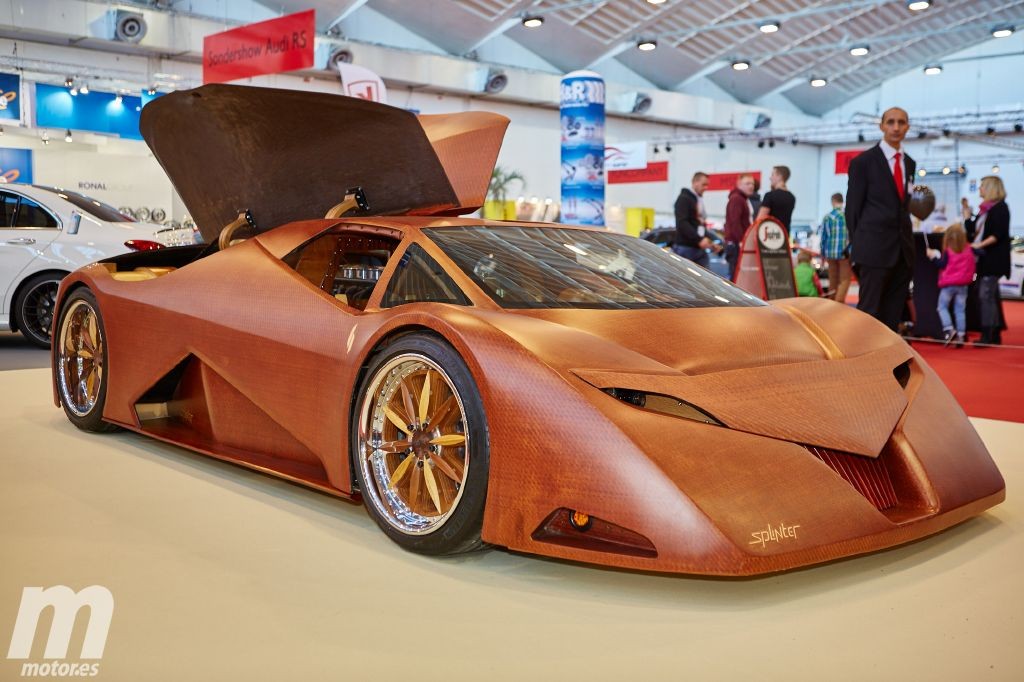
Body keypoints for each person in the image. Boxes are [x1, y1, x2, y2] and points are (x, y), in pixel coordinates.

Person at [846, 106, 916, 331]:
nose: (896, 127)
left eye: (901, 122)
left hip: (903, 252)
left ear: (908, 127)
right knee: (869, 312)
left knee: (893, 313)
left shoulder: (910, 163)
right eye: (891, 122)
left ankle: (888, 361)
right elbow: (853, 209)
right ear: (882, 126)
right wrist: (859, 246)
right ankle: (863, 363)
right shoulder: (863, 163)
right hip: (872, 250)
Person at [966, 175, 1011, 345]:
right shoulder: (985, 210)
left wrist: (979, 246)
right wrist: (967, 216)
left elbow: (997, 234)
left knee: (985, 295)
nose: (980, 189)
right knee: (989, 295)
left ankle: (988, 333)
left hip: (993, 260)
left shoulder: (999, 209)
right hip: (985, 259)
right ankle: (994, 332)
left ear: (991, 188)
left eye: (982, 186)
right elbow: (973, 231)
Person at [926, 223, 975, 348]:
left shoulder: (948, 251)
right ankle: (961, 334)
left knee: (942, 307)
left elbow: (941, 264)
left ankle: (949, 329)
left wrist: (932, 257)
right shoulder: (969, 249)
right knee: (960, 310)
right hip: (963, 284)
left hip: (948, 284)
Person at [672, 172, 718, 267]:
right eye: (704, 184)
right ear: (695, 182)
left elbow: (698, 225)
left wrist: (710, 242)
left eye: (707, 185)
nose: (706, 188)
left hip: (697, 248)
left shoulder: (697, 200)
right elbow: (682, 223)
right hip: (686, 248)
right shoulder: (684, 199)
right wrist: (699, 239)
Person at [820, 192, 851, 303]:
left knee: (832, 279)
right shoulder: (848, 215)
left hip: (830, 253)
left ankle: (832, 304)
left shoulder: (827, 217)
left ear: (833, 201)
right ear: (842, 201)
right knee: (844, 280)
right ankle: (839, 303)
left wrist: (822, 254)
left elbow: (823, 238)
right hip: (844, 253)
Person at [724, 174, 755, 279]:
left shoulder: (742, 199)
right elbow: (734, 222)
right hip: (736, 245)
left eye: (752, 184)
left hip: (737, 244)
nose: (751, 186)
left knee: (736, 276)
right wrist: (742, 241)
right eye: (747, 183)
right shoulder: (737, 199)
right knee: (735, 277)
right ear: (739, 185)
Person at [757, 166, 796, 230]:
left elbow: (759, 220)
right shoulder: (792, 197)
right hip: (784, 236)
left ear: (780, 176)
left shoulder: (770, 195)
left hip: (769, 236)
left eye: (773, 174)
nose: (770, 178)